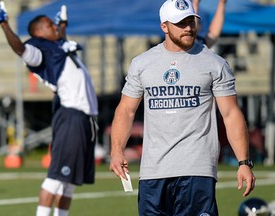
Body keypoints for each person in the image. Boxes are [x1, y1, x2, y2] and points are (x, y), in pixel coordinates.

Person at [109, 0, 255, 215]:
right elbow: (126, 110)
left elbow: (231, 114)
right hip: (153, 172)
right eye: (181, 23)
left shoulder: (214, 63)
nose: (188, 28)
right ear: (164, 27)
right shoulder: (142, 63)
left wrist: (244, 162)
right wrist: (116, 151)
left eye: (191, 21)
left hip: (197, 170)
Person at [0, 2, 98, 216]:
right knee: (56, 178)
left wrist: (63, 27)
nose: (55, 28)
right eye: (51, 25)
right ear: (39, 31)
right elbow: (21, 50)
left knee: (69, 182)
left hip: (85, 118)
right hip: (72, 116)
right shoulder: (39, 48)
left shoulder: (57, 45)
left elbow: (61, 43)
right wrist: (5, 24)